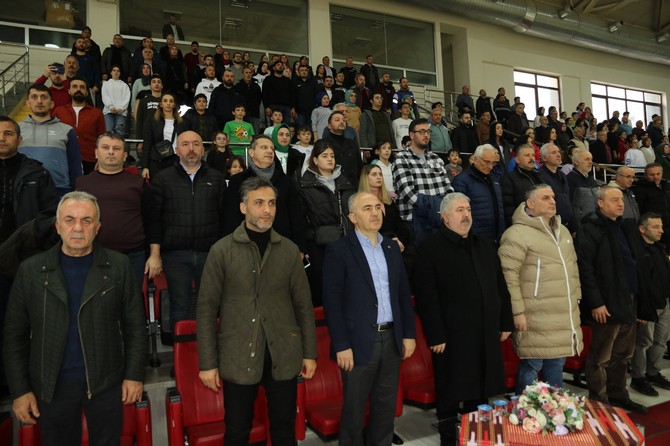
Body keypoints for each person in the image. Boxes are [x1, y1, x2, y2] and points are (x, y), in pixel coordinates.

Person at [3, 191, 146, 445]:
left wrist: (134, 374)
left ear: (97, 228)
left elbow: (135, 327)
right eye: (70, 220)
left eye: (86, 220)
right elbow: (14, 336)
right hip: (52, 386)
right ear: (58, 227)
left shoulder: (119, 266)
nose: (78, 228)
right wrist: (20, 390)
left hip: (106, 383)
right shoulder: (31, 271)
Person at [196, 176, 317, 446]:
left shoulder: (289, 250)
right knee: (238, 431)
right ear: (243, 207)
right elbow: (206, 310)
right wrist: (208, 363)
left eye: (272, 203)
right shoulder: (222, 250)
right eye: (259, 203)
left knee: (284, 431)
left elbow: (303, 306)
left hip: (282, 352)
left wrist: (309, 353)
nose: (267, 210)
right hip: (238, 354)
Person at [413, 193, 513, 443]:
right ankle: (448, 439)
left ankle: (476, 438)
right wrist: (435, 334)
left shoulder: (484, 245)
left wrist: (505, 321)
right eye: (459, 210)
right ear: (445, 217)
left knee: (480, 390)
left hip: (484, 331)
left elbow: (500, 286)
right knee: (450, 391)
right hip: (451, 336)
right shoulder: (429, 249)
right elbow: (426, 298)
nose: (466, 214)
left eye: (468, 209)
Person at [322, 191, 415, 446]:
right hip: (358, 341)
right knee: (354, 408)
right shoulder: (339, 250)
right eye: (367, 208)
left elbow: (403, 294)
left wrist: (408, 334)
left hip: (391, 338)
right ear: (352, 217)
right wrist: (341, 345)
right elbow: (332, 302)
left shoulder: (391, 248)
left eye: (377, 207)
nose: (375, 212)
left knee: (385, 407)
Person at [498, 184, 583, 393]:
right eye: (545, 198)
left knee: (557, 364)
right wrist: (517, 312)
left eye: (553, 197)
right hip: (533, 314)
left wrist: (576, 298)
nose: (552, 201)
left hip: (562, 314)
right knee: (532, 365)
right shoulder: (516, 234)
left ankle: (555, 409)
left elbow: (573, 269)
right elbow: (508, 277)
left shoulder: (562, 231)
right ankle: (524, 409)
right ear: (530, 203)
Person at [575, 186, 648, 414]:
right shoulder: (590, 228)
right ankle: (599, 402)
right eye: (614, 200)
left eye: (621, 200)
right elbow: (585, 269)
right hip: (606, 301)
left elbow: (637, 262)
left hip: (630, 298)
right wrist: (596, 302)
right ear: (600, 203)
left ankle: (619, 396)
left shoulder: (625, 226)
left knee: (623, 354)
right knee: (601, 357)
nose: (620, 203)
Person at [146, 131, 226, 335]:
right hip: (175, 256)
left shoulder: (217, 178)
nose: (191, 149)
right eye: (185, 144)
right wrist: (155, 254)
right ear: (176, 150)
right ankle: (181, 353)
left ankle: (209, 353)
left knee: (210, 306)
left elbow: (224, 219)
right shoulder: (162, 179)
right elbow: (153, 219)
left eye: (196, 144)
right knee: (179, 306)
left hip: (210, 254)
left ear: (203, 149)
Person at [75, 133, 150, 286]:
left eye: (116, 148)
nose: (110, 152)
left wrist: (154, 255)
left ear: (125, 156)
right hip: (92, 254)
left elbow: (152, 220)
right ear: (96, 153)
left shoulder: (139, 183)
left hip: (133, 255)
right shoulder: (81, 184)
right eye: (105, 147)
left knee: (130, 298)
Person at [222, 134, 306, 253]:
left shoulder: (286, 181)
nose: (269, 151)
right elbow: (230, 216)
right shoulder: (237, 181)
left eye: (272, 148)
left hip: (282, 246)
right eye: (264, 147)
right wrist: (231, 248)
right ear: (251, 152)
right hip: (245, 246)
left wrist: (300, 248)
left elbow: (295, 215)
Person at [298, 140, 355, 306]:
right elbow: (301, 218)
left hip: (346, 240)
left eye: (332, 156)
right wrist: (305, 247)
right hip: (319, 245)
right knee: (324, 286)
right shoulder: (304, 186)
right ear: (315, 160)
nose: (330, 159)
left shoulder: (345, 182)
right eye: (325, 156)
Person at [393, 118, 452, 244]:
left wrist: (446, 209)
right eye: (422, 132)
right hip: (415, 223)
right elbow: (408, 194)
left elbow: (448, 188)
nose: (426, 135)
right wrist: (437, 208)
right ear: (411, 135)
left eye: (428, 132)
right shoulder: (401, 159)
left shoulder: (436, 158)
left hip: (440, 221)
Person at [630, 213, 670, 396]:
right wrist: (641, 309)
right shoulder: (637, 251)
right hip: (648, 305)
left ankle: (653, 373)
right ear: (642, 229)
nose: (661, 231)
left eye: (661, 226)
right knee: (643, 342)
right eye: (655, 227)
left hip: (665, 302)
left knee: (661, 341)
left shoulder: (660, 249)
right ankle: (638, 378)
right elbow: (639, 282)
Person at [18, 84, 82, 196]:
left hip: (59, 190)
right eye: (34, 97)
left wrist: (75, 194)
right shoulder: (16, 129)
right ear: (28, 103)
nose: (39, 101)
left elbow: (75, 165)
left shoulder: (67, 130)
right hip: (23, 189)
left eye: (44, 97)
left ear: (52, 104)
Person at [452, 145, 505, 242]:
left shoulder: (494, 179)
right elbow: (458, 213)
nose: (490, 167)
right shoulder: (462, 181)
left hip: (497, 238)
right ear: (475, 159)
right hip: (474, 239)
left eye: (493, 163)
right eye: (486, 162)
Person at [53, 77, 106, 174]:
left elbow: (102, 138)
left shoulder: (97, 113)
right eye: (74, 86)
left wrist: (101, 159)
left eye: (82, 87)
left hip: (90, 160)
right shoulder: (59, 112)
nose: (78, 89)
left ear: (87, 92)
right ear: (69, 91)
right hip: (63, 159)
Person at [358, 164, 409, 252]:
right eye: (374, 174)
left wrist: (401, 240)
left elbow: (400, 224)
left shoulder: (388, 200)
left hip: (395, 243)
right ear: (365, 178)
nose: (378, 177)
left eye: (380, 174)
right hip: (373, 247)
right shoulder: (360, 202)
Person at [141, 92, 182, 179]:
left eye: (171, 101)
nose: (168, 103)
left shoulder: (181, 122)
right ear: (161, 104)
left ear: (174, 105)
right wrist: (145, 166)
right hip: (157, 160)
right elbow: (147, 143)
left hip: (175, 159)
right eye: (165, 101)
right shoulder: (153, 121)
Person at [501, 144, 542, 227]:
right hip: (523, 225)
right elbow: (508, 208)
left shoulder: (538, 176)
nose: (531, 158)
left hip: (540, 222)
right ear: (517, 160)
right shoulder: (509, 179)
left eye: (533, 155)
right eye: (527, 155)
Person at [633, 163, 670, 252]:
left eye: (658, 174)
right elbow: (639, 210)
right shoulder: (640, 189)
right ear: (646, 175)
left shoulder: (666, 186)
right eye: (652, 175)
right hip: (652, 229)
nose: (656, 177)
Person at [537, 143, 573, 230]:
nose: (559, 155)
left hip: (566, 223)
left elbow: (568, 199)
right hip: (550, 224)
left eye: (559, 152)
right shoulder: (539, 176)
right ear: (544, 158)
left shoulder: (562, 175)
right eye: (554, 152)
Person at [101, 66, 131, 137]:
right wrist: (110, 106)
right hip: (108, 111)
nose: (116, 72)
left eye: (118, 71)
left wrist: (121, 108)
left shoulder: (124, 85)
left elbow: (127, 97)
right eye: (114, 70)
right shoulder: (106, 84)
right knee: (108, 131)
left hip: (121, 112)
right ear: (111, 72)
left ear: (120, 73)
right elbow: (105, 96)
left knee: (120, 131)